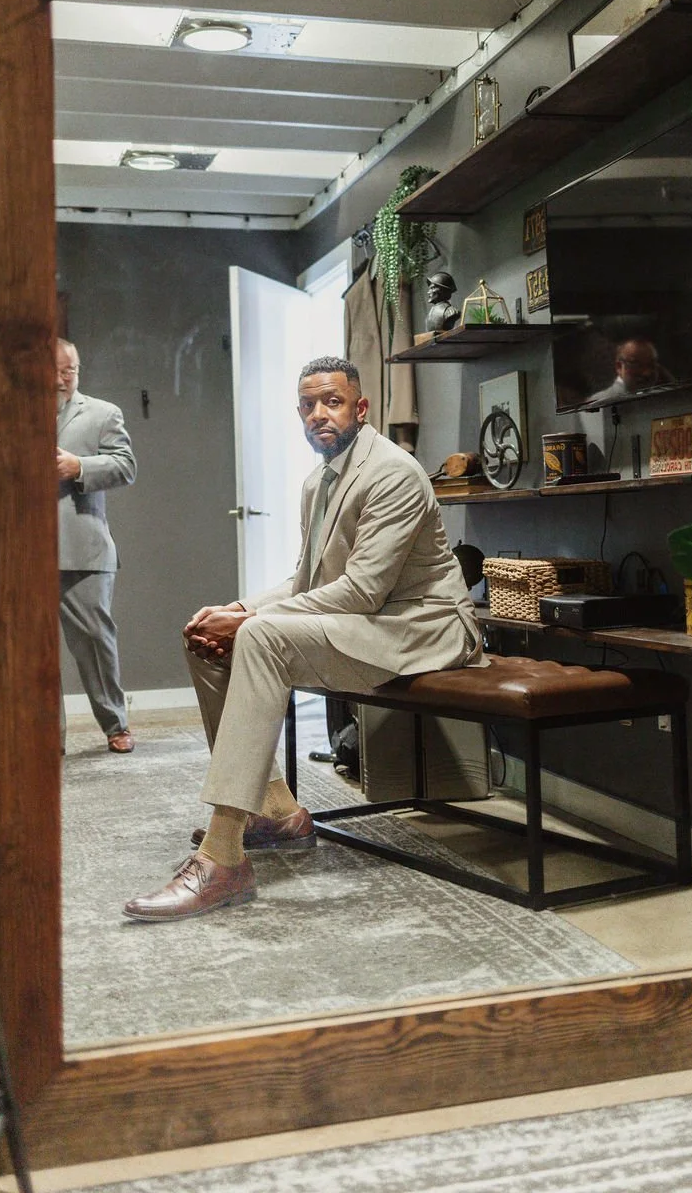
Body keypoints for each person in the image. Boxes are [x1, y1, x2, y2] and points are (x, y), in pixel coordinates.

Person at [123, 356, 485, 922]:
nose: (319, 414)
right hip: (369, 621)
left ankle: (221, 859)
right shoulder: (317, 480)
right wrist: (236, 609)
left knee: (260, 636)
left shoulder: (393, 471)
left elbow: (363, 590)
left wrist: (250, 623)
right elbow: (306, 580)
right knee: (206, 637)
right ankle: (274, 809)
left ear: (360, 409)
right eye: (309, 405)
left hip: (424, 626)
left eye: (332, 402)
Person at [56, 339, 137, 753]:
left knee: (94, 640)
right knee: (34, 655)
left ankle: (116, 725)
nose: (63, 378)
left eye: (70, 370)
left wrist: (80, 466)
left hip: (83, 548)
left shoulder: (103, 413)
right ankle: (48, 737)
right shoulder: (13, 411)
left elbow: (126, 466)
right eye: (55, 370)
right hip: (23, 553)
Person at [584, 337, 669, 406]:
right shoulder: (599, 403)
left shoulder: (663, 397)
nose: (646, 372)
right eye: (636, 365)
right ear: (619, 367)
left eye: (651, 365)